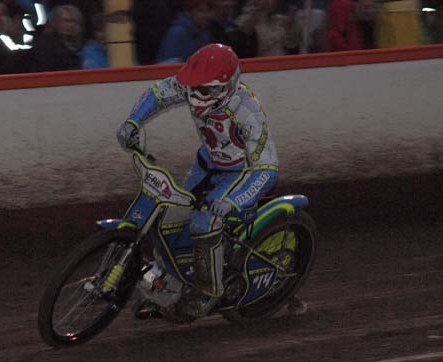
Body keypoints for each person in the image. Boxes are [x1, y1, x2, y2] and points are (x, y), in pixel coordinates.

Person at [116, 44, 304, 320]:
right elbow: (159, 93)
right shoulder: (197, 87)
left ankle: (209, 290)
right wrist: (133, 121)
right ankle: (172, 283)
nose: (193, 95)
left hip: (241, 173)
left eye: (202, 90)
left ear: (223, 88)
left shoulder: (248, 113)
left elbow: (267, 168)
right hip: (207, 164)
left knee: (205, 223)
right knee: (170, 216)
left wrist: (233, 201)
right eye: (191, 87)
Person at [29, 4, 83, 72]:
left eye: (73, 21)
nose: (69, 25)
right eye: (65, 20)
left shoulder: (81, 45)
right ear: (54, 22)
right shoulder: (45, 46)